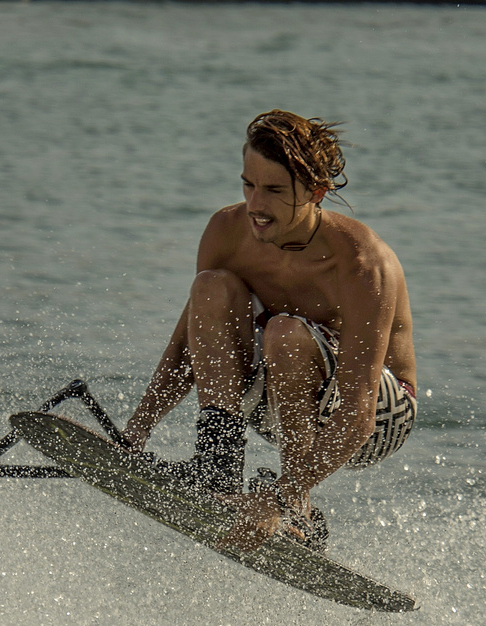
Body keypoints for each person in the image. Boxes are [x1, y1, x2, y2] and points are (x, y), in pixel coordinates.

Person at [120, 110, 417, 554]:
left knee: (285, 332)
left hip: (377, 418)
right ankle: (217, 463)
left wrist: (275, 498)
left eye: (275, 190)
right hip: (283, 397)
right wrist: (138, 429)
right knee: (210, 288)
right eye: (248, 184)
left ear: (316, 192)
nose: (255, 205)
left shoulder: (361, 262)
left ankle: (295, 504)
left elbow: (359, 416)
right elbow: (189, 342)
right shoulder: (226, 231)